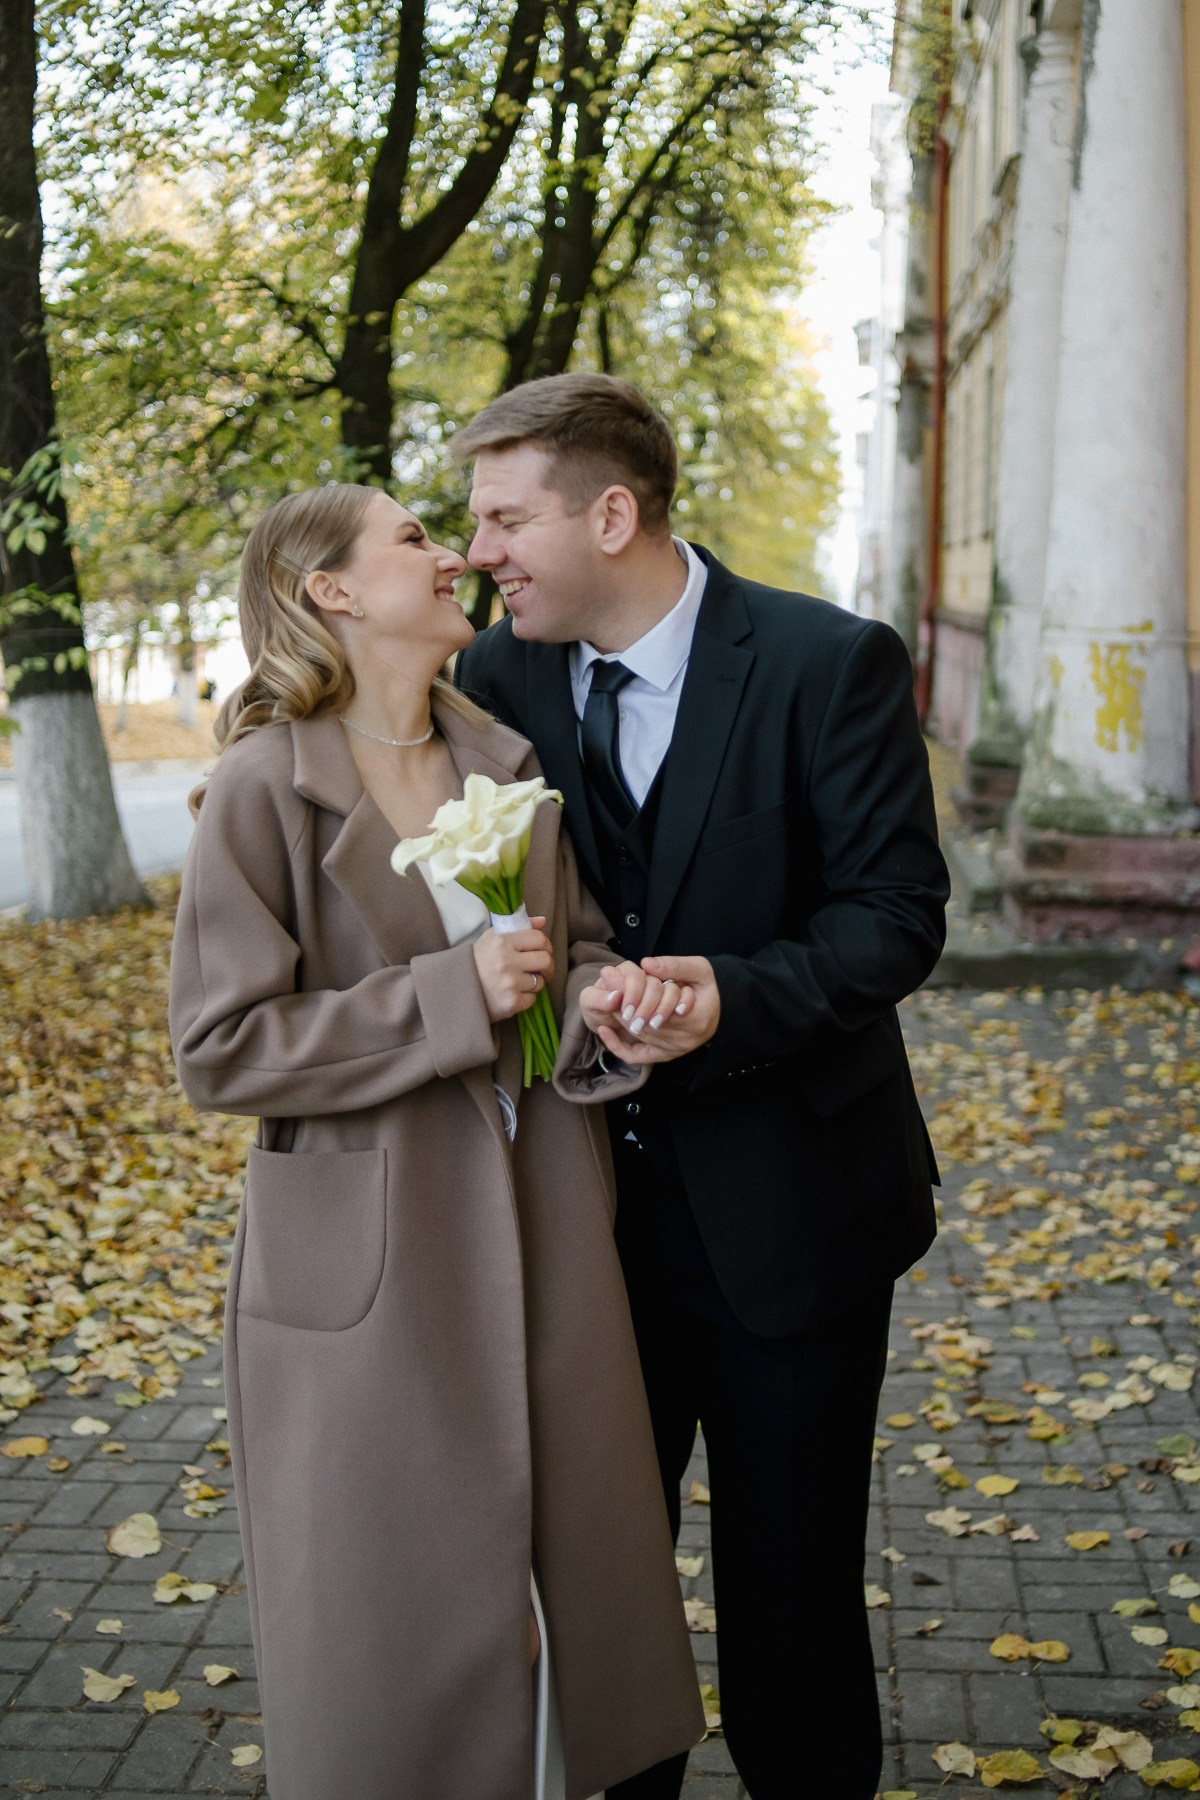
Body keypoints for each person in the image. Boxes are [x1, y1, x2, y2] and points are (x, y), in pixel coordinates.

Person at [452, 373, 951, 1800]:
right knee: (602, 1603)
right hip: (583, 1226)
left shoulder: (824, 662)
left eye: (503, 519)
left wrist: (735, 996)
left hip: (794, 1214)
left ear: (611, 514)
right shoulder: (499, 682)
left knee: (792, 1609)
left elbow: (894, 916)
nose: (480, 551)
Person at [168, 481, 704, 1800]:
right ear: (330, 593)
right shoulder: (261, 793)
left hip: (545, 1223)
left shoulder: (505, 766)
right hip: (373, 1261)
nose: (454, 552)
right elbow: (221, 1047)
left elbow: (560, 958)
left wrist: (600, 1001)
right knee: (397, 1638)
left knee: (574, 1618)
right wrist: (448, 1001)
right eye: (414, 539)